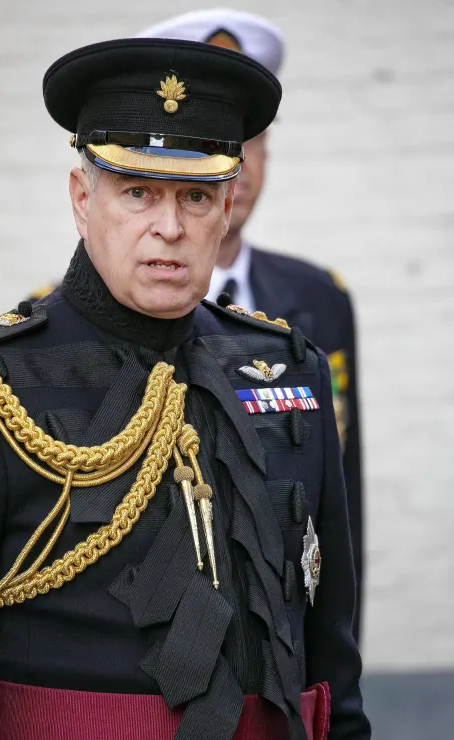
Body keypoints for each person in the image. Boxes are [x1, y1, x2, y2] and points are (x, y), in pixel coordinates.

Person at [0, 37, 372, 740]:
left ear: (229, 203)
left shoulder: (288, 372)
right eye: (137, 193)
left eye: (196, 199)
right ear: (81, 196)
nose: (168, 228)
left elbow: (334, 689)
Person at [139, 8, 365, 643]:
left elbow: (341, 508)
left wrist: (338, 665)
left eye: (250, 137)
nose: (236, 161)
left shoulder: (319, 299)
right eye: (211, 141)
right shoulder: (67, 320)